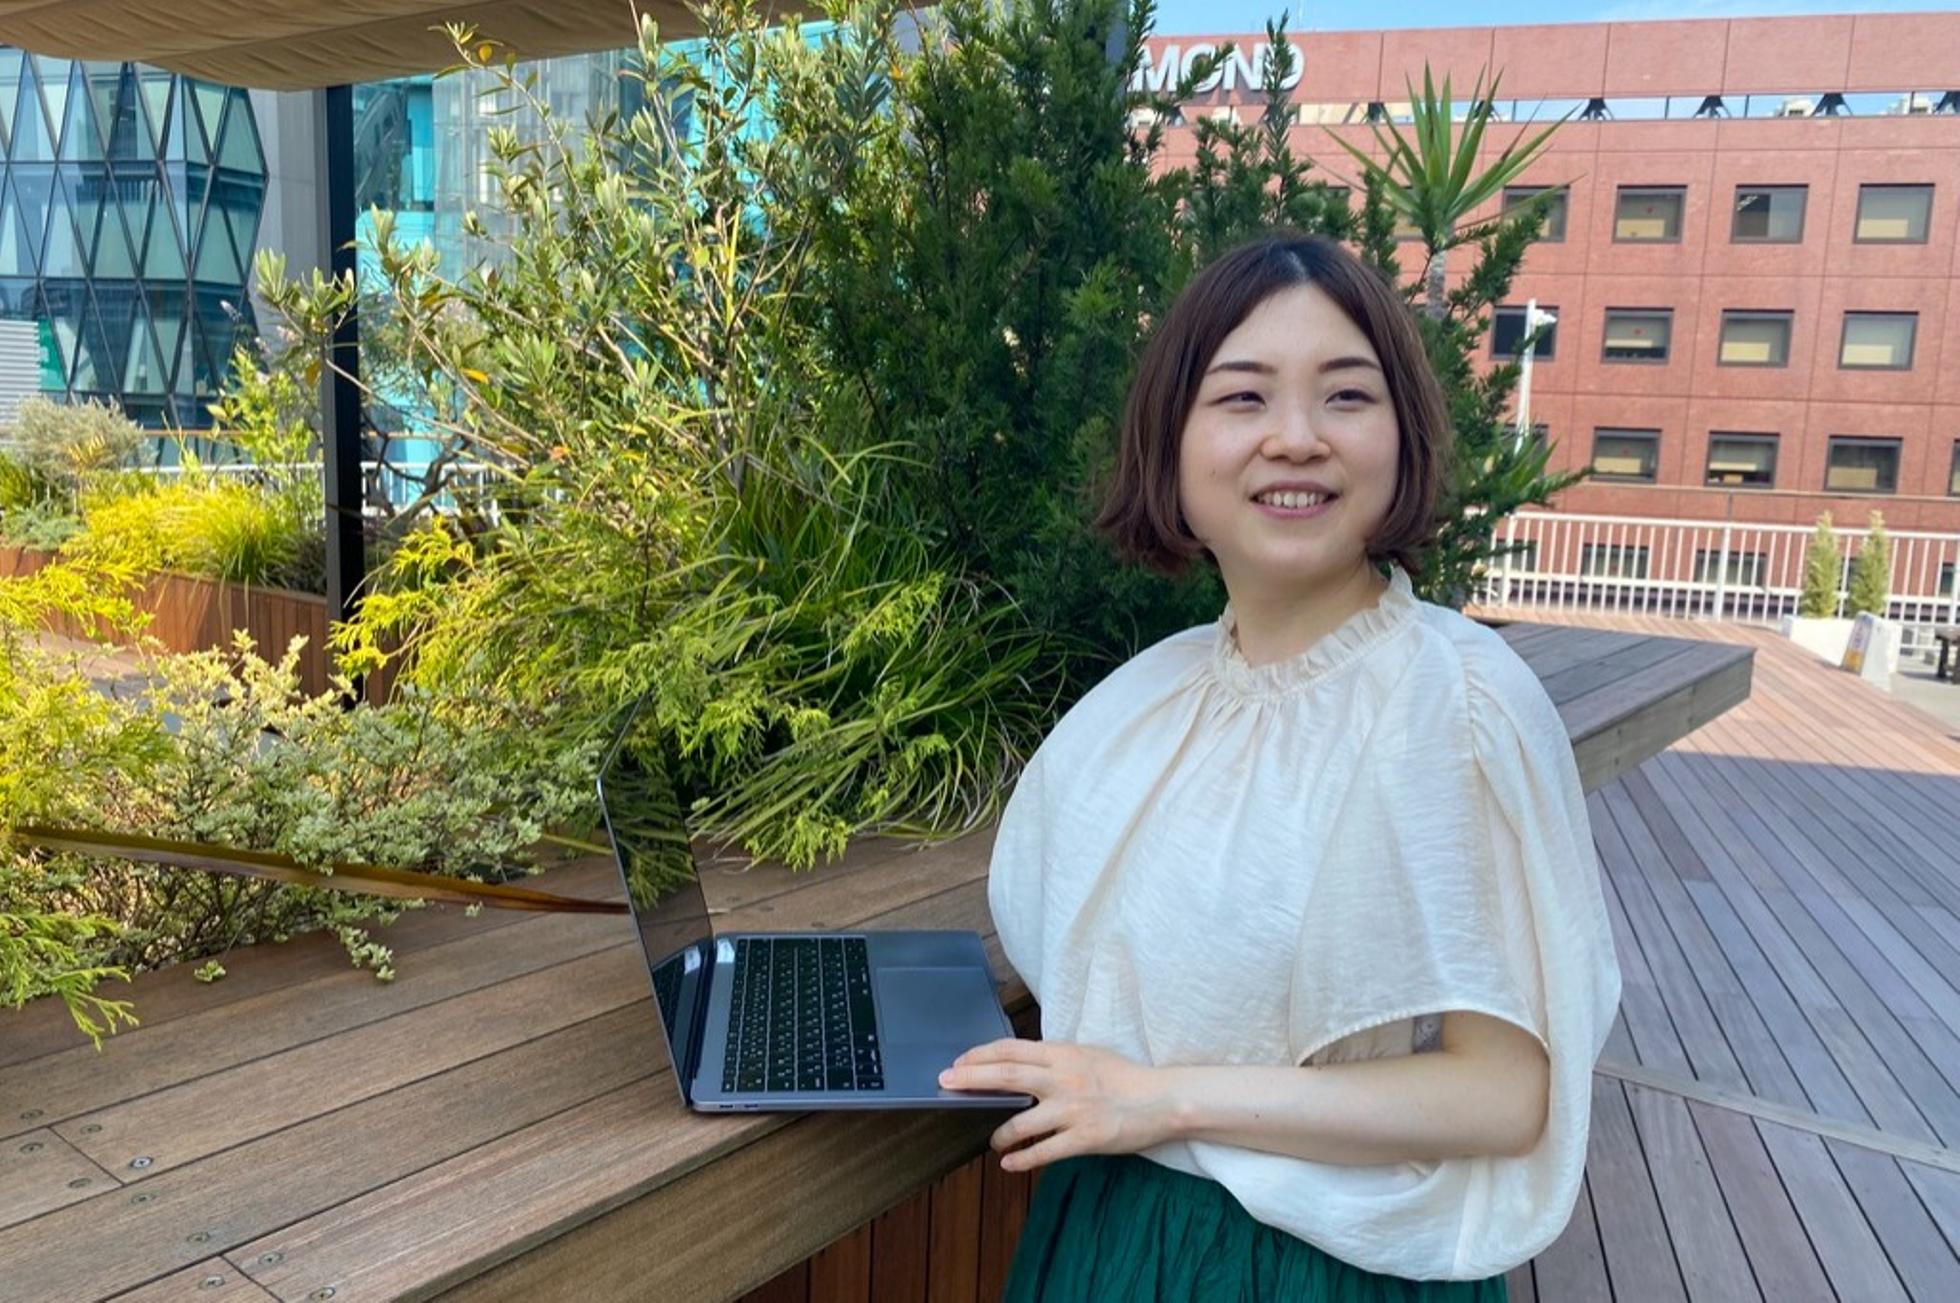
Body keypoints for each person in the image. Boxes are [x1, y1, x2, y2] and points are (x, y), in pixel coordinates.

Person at [936, 233, 1623, 1301]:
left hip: (1321, 1265)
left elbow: (1505, 1093)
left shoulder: (1455, 702)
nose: (1295, 438)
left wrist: (1162, 1099)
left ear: (1401, 435)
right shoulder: (1144, 700)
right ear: (1171, 443)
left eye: (1345, 396)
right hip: (1108, 1230)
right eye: (1243, 397)